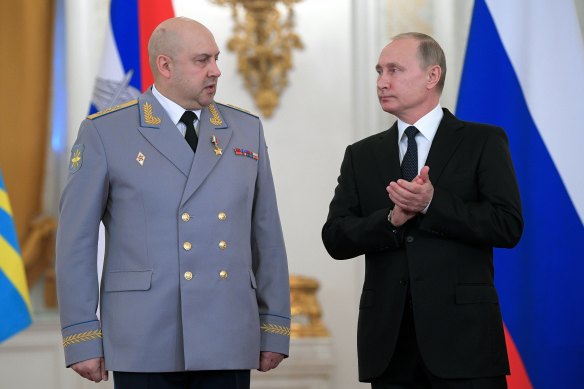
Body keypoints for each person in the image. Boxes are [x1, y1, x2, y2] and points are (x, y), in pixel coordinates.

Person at [56, 17, 290, 389]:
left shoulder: (246, 129)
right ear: (164, 65)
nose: (216, 70)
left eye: (215, 59)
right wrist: (81, 333)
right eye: (202, 61)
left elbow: (267, 235)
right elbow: (76, 242)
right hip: (144, 334)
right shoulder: (105, 132)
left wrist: (274, 324)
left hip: (226, 330)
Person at [322, 32, 523, 388]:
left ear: (432, 76)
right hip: (390, 348)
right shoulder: (361, 154)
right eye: (379, 71)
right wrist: (390, 220)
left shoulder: (482, 141)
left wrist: (432, 203)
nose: (382, 82)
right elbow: (336, 237)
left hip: (466, 346)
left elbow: (506, 226)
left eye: (394, 70)